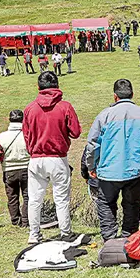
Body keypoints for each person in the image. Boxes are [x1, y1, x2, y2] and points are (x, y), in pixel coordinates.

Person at [85, 79, 140, 241]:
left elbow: (93, 144)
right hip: (135, 169)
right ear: (132, 94)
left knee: (107, 204)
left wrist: (91, 165)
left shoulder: (104, 115)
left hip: (109, 170)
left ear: (115, 97)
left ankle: (109, 239)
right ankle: (129, 238)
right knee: (132, 204)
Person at [22, 71, 82, 243]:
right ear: (57, 86)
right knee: (61, 199)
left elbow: (26, 135)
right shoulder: (65, 107)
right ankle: (65, 232)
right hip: (57, 157)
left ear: (38, 87)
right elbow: (76, 132)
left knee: (34, 199)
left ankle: (34, 234)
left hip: (36, 158)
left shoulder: (30, 109)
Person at [0, 109, 31, 227]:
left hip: (9, 171)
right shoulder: (28, 135)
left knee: (12, 197)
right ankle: (26, 221)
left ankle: (15, 221)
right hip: (26, 169)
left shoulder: (2, 137)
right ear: (23, 120)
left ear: (9, 120)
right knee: (28, 196)